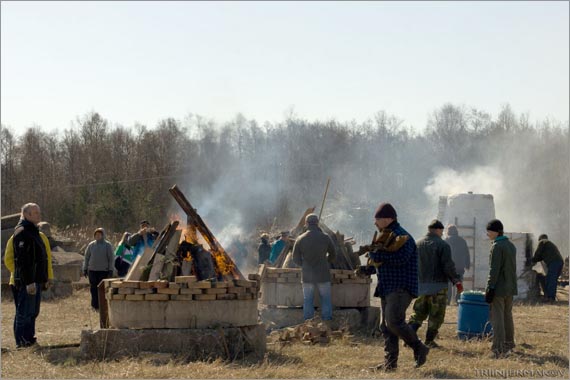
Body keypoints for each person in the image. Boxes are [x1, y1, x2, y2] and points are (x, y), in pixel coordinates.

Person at [368, 203, 429, 371]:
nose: (375, 223)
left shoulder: (403, 237)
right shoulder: (385, 236)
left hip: (400, 287)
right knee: (387, 327)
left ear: (388, 219)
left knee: (394, 322)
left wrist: (377, 254)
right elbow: (382, 261)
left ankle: (419, 347)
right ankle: (390, 364)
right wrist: (369, 268)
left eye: (378, 219)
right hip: (387, 286)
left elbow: (400, 259)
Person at [3, 203, 53, 348]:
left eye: (39, 212)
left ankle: (29, 339)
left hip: (36, 280)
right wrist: (24, 279)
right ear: (26, 215)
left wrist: (46, 277)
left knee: (32, 312)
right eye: (35, 213)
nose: (39, 215)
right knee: (23, 313)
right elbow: (16, 261)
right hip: (25, 282)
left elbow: (44, 258)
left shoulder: (36, 233)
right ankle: (21, 343)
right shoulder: (20, 233)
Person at [408, 220, 463, 348]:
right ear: (438, 230)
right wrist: (456, 281)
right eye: (441, 231)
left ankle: (409, 337)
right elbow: (448, 266)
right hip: (438, 287)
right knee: (436, 315)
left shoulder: (417, 244)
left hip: (421, 286)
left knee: (418, 313)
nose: (442, 233)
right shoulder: (442, 245)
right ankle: (429, 340)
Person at [292, 214, 336, 321]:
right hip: (323, 274)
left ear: (306, 224)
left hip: (307, 275)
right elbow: (333, 254)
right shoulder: (325, 237)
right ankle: (327, 320)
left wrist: (304, 265)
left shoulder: (300, 239)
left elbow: (295, 258)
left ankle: (308, 321)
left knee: (308, 299)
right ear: (317, 223)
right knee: (325, 298)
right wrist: (326, 261)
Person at [484, 219, 517, 358]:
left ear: (496, 232)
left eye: (489, 231)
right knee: (507, 316)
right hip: (510, 287)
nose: (487, 234)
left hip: (499, 288)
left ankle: (498, 348)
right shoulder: (510, 245)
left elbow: (494, 270)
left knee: (497, 317)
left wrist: (490, 288)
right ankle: (509, 344)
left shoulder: (497, 246)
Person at [82, 228, 114, 310]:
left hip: (103, 270)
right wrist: (85, 268)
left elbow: (111, 258)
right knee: (93, 288)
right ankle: (94, 305)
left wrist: (110, 270)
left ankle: (102, 305)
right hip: (92, 270)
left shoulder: (107, 245)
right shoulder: (91, 245)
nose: (97, 236)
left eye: (99, 234)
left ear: (103, 235)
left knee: (102, 289)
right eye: (96, 235)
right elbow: (86, 257)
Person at [531, 234, 564, 302]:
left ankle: (550, 297)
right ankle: (550, 296)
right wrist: (536, 260)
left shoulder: (542, 242)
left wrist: (532, 261)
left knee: (551, 279)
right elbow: (541, 257)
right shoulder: (549, 244)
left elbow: (538, 253)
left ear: (540, 239)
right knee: (552, 279)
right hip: (559, 262)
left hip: (554, 262)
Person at [445, 224, 470, 304]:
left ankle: (447, 300)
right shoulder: (462, 240)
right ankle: (458, 300)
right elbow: (466, 253)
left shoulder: (446, 241)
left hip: (449, 267)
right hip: (459, 267)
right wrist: (467, 264)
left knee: (448, 284)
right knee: (459, 283)